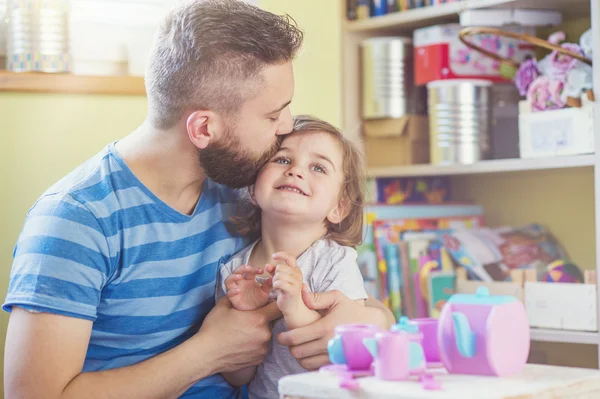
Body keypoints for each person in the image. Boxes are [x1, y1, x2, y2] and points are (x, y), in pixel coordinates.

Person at [3, 1, 393, 399]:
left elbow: (327, 274)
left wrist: (373, 318)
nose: (287, 127)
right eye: (272, 114)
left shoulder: (242, 190)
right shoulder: (77, 220)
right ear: (204, 128)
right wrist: (208, 353)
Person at [218, 115, 369, 399]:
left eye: (318, 167)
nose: (296, 171)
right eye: (282, 160)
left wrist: (294, 306)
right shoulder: (235, 270)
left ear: (339, 207)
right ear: (252, 188)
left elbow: (345, 350)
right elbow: (238, 375)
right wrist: (246, 313)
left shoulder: (336, 261)